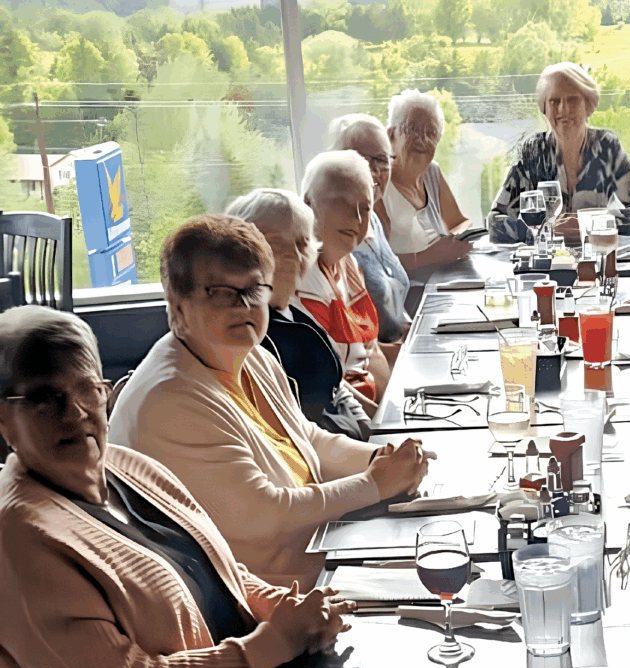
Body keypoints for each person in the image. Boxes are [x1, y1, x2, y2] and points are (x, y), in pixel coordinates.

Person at [0, 305, 356, 668]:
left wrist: (293, 610)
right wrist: (273, 643)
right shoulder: (17, 540)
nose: (75, 412)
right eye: (43, 398)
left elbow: (225, 575)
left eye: (86, 389)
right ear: (2, 417)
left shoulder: (126, 465)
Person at [108, 214, 432, 592]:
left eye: (255, 291)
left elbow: (306, 439)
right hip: (268, 594)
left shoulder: (249, 353)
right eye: (223, 293)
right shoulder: (168, 399)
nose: (244, 307)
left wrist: (381, 460)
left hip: (319, 548)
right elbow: (265, 513)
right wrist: (374, 485)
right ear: (177, 307)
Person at [225, 187, 372, 440]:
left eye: (302, 242)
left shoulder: (296, 316)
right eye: (276, 244)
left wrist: (373, 427)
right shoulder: (251, 335)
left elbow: (336, 389)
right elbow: (296, 433)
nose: (293, 255)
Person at [487, 62, 630, 245]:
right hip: (545, 262)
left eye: (572, 100)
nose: (563, 110)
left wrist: (589, 223)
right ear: (544, 107)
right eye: (554, 101)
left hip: (595, 257)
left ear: (588, 105)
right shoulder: (533, 151)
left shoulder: (605, 147)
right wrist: (540, 231)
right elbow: (495, 221)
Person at [299, 149, 392, 414]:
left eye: (365, 208)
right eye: (343, 203)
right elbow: (328, 385)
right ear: (308, 203)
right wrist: (383, 424)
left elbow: (370, 350)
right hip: (348, 425)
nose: (358, 219)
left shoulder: (347, 262)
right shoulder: (299, 279)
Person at [328, 113, 412, 346]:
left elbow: (394, 309)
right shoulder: (330, 234)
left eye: (382, 160)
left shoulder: (372, 219)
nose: (374, 171)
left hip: (402, 347)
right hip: (377, 364)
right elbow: (345, 341)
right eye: (363, 160)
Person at [380, 89, 472, 271]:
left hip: (442, 280)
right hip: (407, 293)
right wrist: (433, 256)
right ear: (391, 136)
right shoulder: (379, 184)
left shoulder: (432, 172)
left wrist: (452, 242)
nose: (422, 140)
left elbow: (461, 223)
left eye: (431, 133)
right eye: (412, 130)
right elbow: (375, 264)